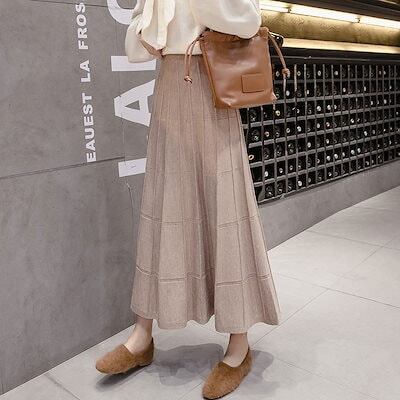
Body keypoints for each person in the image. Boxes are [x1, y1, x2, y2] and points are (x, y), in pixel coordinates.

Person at [95, 0, 281, 398]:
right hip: (169, 83)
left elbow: (249, 20)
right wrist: (150, 28)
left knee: (226, 205)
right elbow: (137, 41)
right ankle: (142, 335)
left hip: (212, 78)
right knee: (163, 205)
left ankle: (239, 344)